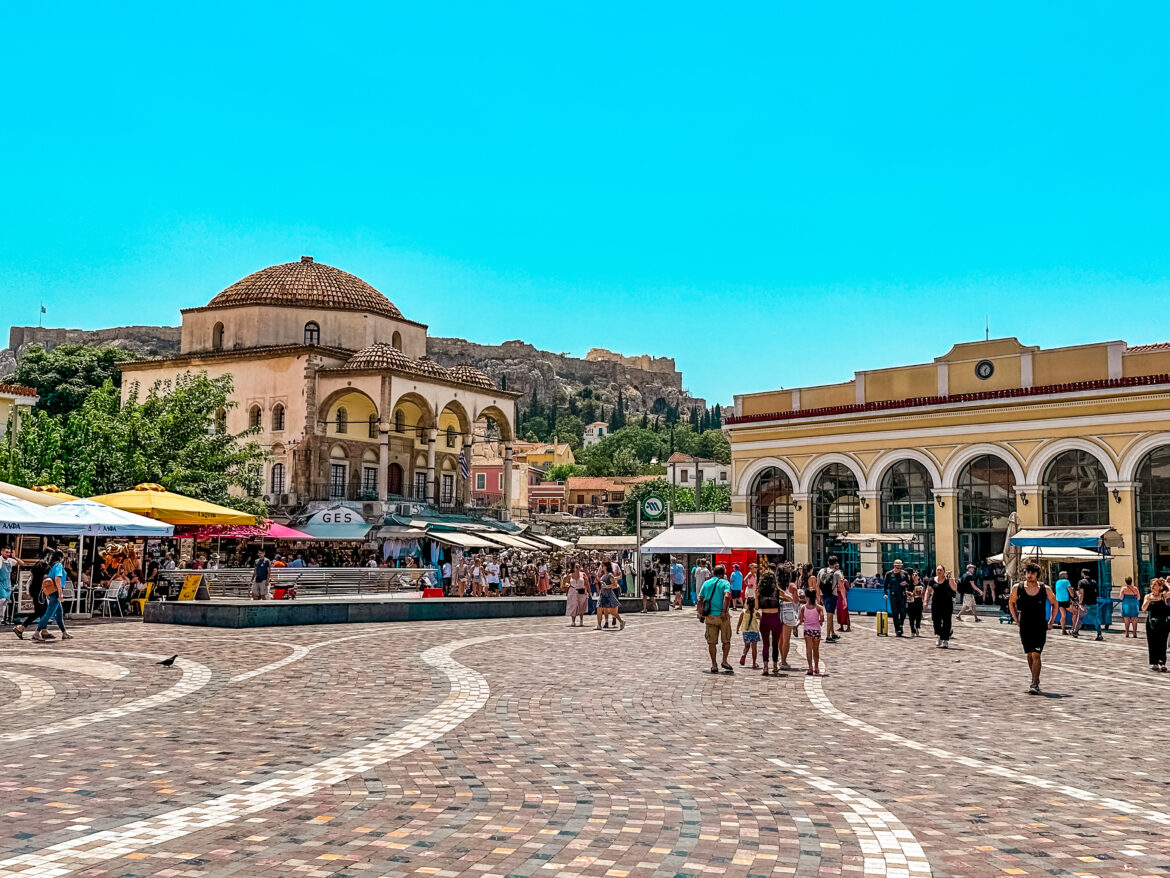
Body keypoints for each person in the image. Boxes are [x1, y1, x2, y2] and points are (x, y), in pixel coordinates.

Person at [1009, 562, 1058, 694]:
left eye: (1032, 573)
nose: (1029, 575)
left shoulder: (1044, 588)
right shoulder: (1017, 588)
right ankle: (1034, 678)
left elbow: (1055, 603)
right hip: (1025, 624)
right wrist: (1015, 619)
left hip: (1039, 625)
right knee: (1030, 654)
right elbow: (1011, 602)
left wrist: (1051, 621)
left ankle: (1035, 682)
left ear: (1037, 575)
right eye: (1027, 573)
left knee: (1037, 653)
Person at [697, 564, 734, 674]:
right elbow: (727, 596)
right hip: (723, 617)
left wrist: (700, 613)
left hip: (710, 616)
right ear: (723, 574)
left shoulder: (706, 583)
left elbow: (700, 600)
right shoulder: (725, 583)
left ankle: (714, 664)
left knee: (711, 642)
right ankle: (725, 661)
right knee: (726, 640)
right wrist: (724, 611)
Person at [35, 550, 72, 642]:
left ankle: (64, 632)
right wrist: (60, 593)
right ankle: (36, 632)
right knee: (49, 614)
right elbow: (58, 579)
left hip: (52, 592)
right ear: (61, 558)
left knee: (59, 613)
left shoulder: (52, 566)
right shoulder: (58, 565)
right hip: (56, 592)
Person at [14, 554, 49, 639]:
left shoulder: (37, 564)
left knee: (43, 610)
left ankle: (44, 630)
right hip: (39, 591)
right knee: (39, 611)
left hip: (35, 590)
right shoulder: (43, 565)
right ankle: (21, 628)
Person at [757, 570, 783, 676]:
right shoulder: (777, 590)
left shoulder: (760, 591)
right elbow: (790, 598)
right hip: (775, 617)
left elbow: (756, 607)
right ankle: (775, 665)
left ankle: (765, 667)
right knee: (775, 643)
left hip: (765, 617)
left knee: (765, 644)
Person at [926, 565, 957, 648]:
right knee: (936, 621)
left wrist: (950, 578)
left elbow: (954, 588)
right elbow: (928, 591)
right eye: (937, 570)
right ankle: (939, 635)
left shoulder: (948, 580)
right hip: (936, 604)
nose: (939, 571)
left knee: (947, 621)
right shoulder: (932, 580)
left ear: (944, 571)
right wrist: (925, 601)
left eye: (940, 570)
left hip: (947, 604)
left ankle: (945, 639)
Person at [1142, 578, 1169, 671]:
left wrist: (1166, 583)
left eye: (1155, 585)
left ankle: (1162, 663)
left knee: (1162, 642)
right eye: (1151, 585)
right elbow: (1143, 608)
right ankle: (1154, 662)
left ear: (1160, 587)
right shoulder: (1147, 596)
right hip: (1151, 623)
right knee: (1152, 642)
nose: (1152, 586)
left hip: (1163, 623)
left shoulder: (1164, 595)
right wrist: (1148, 601)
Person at [817, 556, 843, 642]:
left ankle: (833, 633)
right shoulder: (837, 572)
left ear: (828, 563)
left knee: (829, 613)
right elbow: (841, 586)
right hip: (832, 595)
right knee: (830, 615)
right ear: (836, 563)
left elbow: (817, 584)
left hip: (824, 594)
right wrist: (844, 599)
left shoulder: (821, 571)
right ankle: (828, 636)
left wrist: (818, 596)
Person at [883, 559, 910, 637]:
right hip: (893, 595)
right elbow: (885, 586)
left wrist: (905, 584)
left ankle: (900, 625)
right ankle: (897, 629)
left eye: (900, 567)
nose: (899, 569)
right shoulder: (889, 574)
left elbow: (909, 583)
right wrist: (885, 594)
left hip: (902, 595)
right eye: (897, 568)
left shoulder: (904, 574)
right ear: (894, 566)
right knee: (895, 613)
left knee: (903, 613)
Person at [800, 588, 825, 676]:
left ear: (807, 597)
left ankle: (810, 667)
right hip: (816, 630)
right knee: (816, 649)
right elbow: (822, 618)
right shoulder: (819, 607)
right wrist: (820, 622)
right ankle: (816, 667)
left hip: (807, 630)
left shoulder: (803, 607)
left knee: (808, 649)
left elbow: (800, 619)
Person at [595, 561, 625, 630]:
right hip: (602, 594)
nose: (601, 567)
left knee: (611, 611)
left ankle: (621, 621)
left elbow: (614, 585)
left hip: (608, 594)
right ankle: (599, 625)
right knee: (599, 608)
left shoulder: (610, 575)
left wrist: (607, 586)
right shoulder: (603, 575)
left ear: (606, 567)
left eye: (602, 566)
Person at [1078, 568, 1103, 641]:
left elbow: (1081, 594)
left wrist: (1080, 603)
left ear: (1083, 574)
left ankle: (1075, 631)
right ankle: (1099, 633)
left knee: (1079, 617)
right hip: (1094, 602)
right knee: (1096, 618)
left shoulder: (1081, 582)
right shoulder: (1094, 582)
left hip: (1085, 603)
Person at [0, 546, 22, 627]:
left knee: (5, 602)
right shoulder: (0, 560)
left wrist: (14, 557)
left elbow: (21, 563)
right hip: (1, 583)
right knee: (1, 600)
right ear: (2, 552)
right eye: (6, 552)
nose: (8, 554)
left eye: (9, 552)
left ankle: (2, 619)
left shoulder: (10, 560)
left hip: (8, 584)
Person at [737, 596, 761, 668]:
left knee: (746, 646)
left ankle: (744, 655)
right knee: (754, 648)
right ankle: (754, 663)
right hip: (754, 631)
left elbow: (739, 621)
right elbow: (761, 619)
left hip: (746, 632)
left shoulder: (743, 612)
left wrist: (737, 629)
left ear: (746, 603)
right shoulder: (756, 613)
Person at [565, 562, 589, 627]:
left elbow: (587, 583)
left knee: (581, 606)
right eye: (576, 567)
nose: (578, 568)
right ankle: (573, 621)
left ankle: (581, 621)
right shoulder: (570, 575)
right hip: (572, 591)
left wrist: (588, 592)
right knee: (573, 606)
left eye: (579, 566)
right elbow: (566, 582)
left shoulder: (583, 574)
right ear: (573, 568)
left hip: (581, 590)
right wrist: (567, 586)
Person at [1054, 570, 1075, 635]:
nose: (1067, 576)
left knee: (1063, 615)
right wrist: (1073, 596)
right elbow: (1070, 591)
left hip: (1059, 600)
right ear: (1063, 576)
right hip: (1066, 600)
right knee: (1075, 612)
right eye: (1066, 575)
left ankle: (1063, 630)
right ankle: (1074, 628)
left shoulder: (1057, 582)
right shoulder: (1066, 581)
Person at [906, 570, 924, 637]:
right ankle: (912, 630)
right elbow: (906, 591)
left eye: (916, 575)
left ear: (918, 577)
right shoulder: (909, 584)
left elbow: (923, 593)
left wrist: (920, 594)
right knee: (911, 617)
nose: (914, 576)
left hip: (918, 602)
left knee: (918, 616)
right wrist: (910, 593)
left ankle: (917, 627)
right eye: (913, 575)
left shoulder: (921, 584)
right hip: (911, 602)